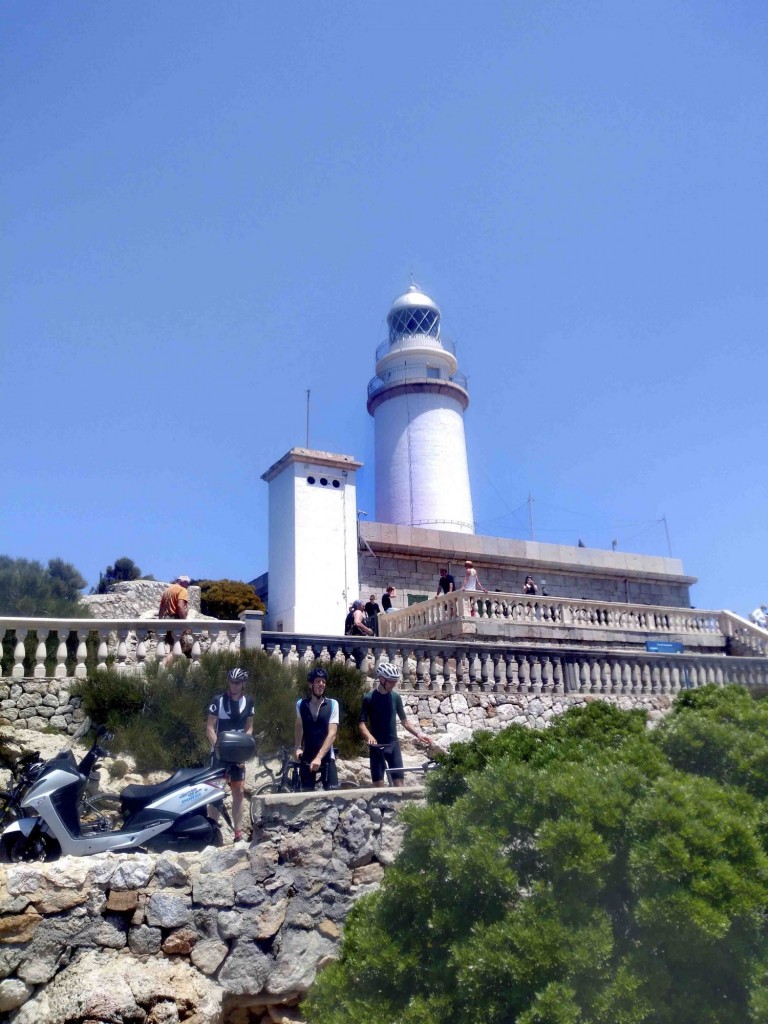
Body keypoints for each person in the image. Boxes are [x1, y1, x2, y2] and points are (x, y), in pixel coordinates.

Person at [359, 662, 432, 787]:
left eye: (395, 681)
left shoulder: (395, 697)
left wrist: (418, 734)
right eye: (391, 681)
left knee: (400, 787)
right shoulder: (368, 698)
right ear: (382, 679)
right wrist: (369, 737)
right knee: (378, 789)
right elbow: (361, 724)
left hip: (393, 746)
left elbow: (405, 721)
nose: (394, 684)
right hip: (377, 748)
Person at [206, 667, 254, 842]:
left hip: (238, 756)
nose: (234, 686)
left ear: (243, 684)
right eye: (232, 682)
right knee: (215, 792)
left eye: (238, 683)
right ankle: (212, 830)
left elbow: (249, 727)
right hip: (219, 755)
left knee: (239, 792)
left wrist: (244, 749)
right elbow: (210, 728)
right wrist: (218, 748)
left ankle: (238, 833)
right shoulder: (218, 700)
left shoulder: (249, 701)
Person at [294, 666, 339, 790]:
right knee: (306, 798)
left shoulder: (333, 704)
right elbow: (299, 725)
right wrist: (297, 747)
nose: (321, 684)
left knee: (333, 795)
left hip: (326, 756)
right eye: (318, 681)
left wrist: (319, 757)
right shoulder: (300, 704)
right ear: (310, 684)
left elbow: (332, 734)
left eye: (324, 682)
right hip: (307, 755)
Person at [159, 574, 192, 661]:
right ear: (184, 582)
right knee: (181, 646)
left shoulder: (167, 590)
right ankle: (164, 664)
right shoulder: (182, 590)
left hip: (166, 621)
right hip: (175, 621)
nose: (188, 587)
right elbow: (180, 606)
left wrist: (159, 622)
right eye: (188, 584)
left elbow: (161, 608)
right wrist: (185, 623)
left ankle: (168, 667)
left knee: (173, 645)